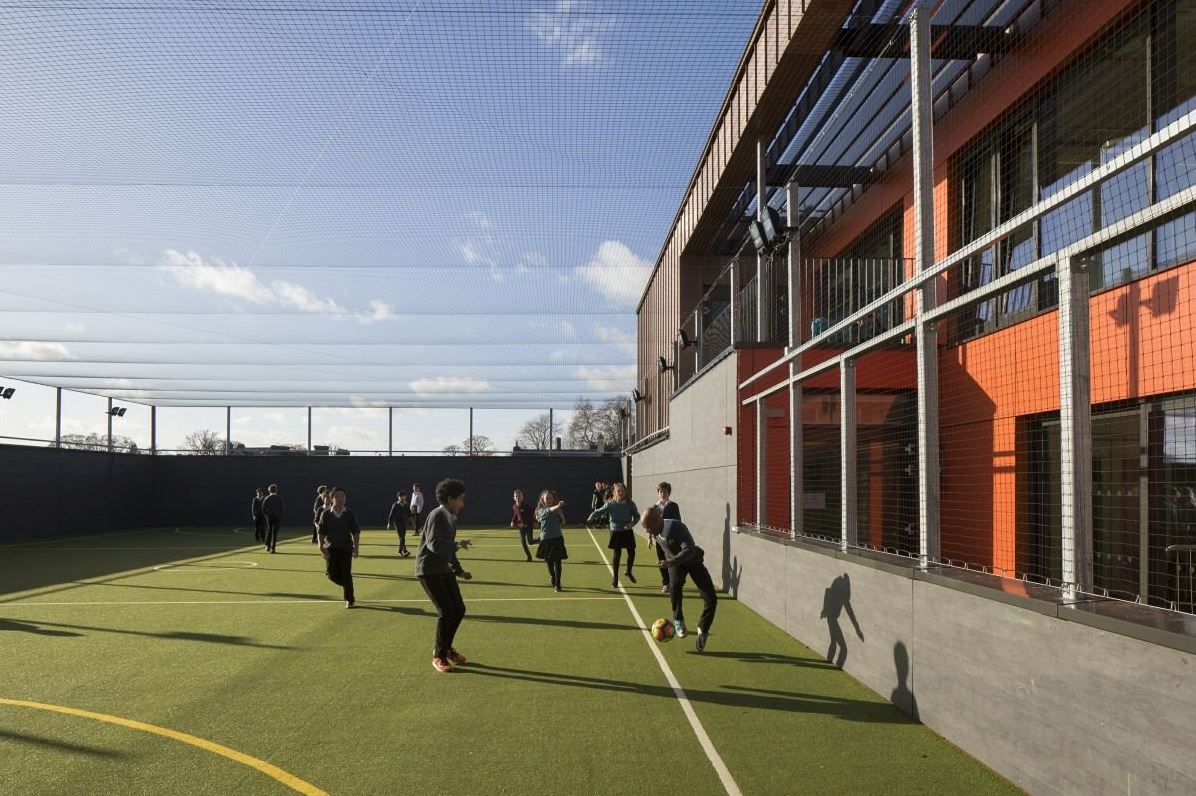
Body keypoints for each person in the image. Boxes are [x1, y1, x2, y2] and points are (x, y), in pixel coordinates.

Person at [415, 479, 473, 673]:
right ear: (450, 499)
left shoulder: (451, 518)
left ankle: (446, 648)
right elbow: (434, 545)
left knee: (459, 608)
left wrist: (459, 571)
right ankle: (438, 656)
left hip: (443, 569)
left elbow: (449, 550)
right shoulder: (437, 515)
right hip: (428, 571)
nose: (463, 504)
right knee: (446, 611)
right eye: (460, 500)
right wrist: (457, 545)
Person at [641, 506, 716, 652]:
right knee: (674, 587)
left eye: (648, 528)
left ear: (657, 522)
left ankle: (703, 630)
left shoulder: (676, 528)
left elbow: (689, 549)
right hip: (674, 563)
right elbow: (653, 532)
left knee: (711, 599)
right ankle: (678, 620)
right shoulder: (655, 529)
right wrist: (670, 561)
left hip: (691, 560)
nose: (647, 531)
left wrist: (670, 562)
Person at [587, 482, 639, 589]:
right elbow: (599, 511)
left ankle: (629, 571)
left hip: (627, 530)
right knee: (617, 554)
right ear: (614, 492)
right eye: (618, 490)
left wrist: (632, 524)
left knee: (632, 553)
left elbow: (637, 516)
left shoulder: (631, 504)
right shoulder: (610, 503)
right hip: (615, 530)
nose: (620, 492)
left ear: (625, 492)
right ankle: (615, 578)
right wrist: (591, 516)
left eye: (622, 490)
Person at [317, 487, 361, 608]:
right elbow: (321, 532)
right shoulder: (326, 514)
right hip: (331, 549)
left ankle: (350, 599)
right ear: (331, 499)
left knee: (346, 573)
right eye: (337, 496)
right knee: (331, 574)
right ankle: (347, 585)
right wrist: (321, 547)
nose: (340, 498)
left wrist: (356, 548)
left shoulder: (349, 513)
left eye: (342, 496)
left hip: (346, 548)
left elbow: (356, 531)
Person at [535, 489, 568, 592]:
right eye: (547, 498)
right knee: (549, 562)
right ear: (543, 500)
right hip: (546, 539)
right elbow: (549, 511)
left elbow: (563, 522)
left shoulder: (557, 509)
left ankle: (558, 584)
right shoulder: (540, 510)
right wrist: (558, 506)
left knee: (558, 562)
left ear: (553, 499)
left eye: (551, 498)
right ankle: (553, 576)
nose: (549, 499)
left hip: (557, 538)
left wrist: (561, 516)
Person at [652, 482, 681, 593]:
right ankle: (665, 583)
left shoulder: (673, 506)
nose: (663, 494)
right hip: (659, 539)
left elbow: (678, 521)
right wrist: (650, 537)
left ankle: (674, 582)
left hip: (671, 540)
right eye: (661, 492)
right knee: (662, 561)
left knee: (672, 561)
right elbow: (651, 523)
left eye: (665, 492)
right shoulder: (655, 507)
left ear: (669, 493)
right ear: (658, 493)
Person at [387, 491, 414, 558]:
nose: (402, 497)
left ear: (405, 497)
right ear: (398, 497)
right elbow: (391, 514)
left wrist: (412, 523)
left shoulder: (407, 505)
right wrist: (389, 523)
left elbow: (409, 514)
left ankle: (404, 551)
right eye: (400, 496)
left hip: (404, 523)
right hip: (397, 523)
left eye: (403, 496)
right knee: (401, 537)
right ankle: (401, 551)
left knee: (403, 537)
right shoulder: (395, 505)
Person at [510, 489, 534, 562]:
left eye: (519, 496)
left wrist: (533, 522)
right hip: (521, 528)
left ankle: (540, 540)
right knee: (523, 543)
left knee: (530, 542)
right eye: (516, 496)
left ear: (522, 497)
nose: (518, 498)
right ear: (514, 498)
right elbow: (516, 515)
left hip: (529, 526)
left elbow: (532, 515)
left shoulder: (528, 506)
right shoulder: (514, 506)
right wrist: (513, 521)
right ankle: (529, 557)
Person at [262, 483, 284, 553]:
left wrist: (266, 515)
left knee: (269, 531)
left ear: (269, 490)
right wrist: (280, 515)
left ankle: (268, 546)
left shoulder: (267, 498)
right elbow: (282, 508)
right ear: (276, 490)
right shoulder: (279, 498)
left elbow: (263, 508)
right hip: (277, 517)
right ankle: (273, 548)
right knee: (275, 533)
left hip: (270, 517)